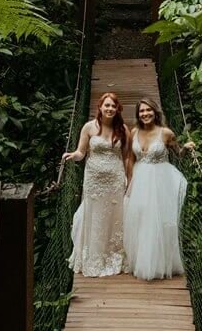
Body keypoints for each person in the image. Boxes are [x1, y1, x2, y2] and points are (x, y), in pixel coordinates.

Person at [63, 90, 130, 277]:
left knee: (114, 216)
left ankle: (113, 256)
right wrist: (72, 156)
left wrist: (128, 178)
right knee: (95, 215)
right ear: (100, 107)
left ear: (117, 109)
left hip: (115, 179)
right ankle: (94, 258)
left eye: (113, 106)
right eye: (106, 105)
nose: (110, 108)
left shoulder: (123, 129)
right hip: (93, 180)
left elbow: (126, 158)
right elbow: (81, 152)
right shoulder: (88, 127)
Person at [122, 96, 186, 280]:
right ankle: (142, 262)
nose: (145, 114)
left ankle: (158, 264)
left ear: (155, 111)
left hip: (160, 181)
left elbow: (178, 153)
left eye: (148, 110)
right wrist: (128, 183)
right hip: (139, 180)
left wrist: (187, 148)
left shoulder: (166, 133)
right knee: (140, 220)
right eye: (141, 111)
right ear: (138, 114)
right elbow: (130, 159)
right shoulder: (133, 132)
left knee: (158, 221)